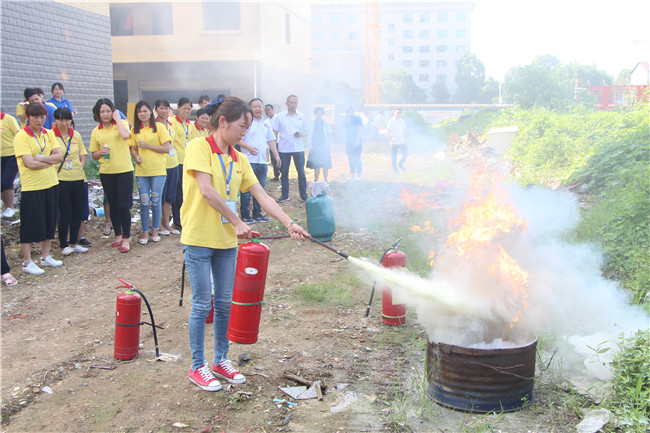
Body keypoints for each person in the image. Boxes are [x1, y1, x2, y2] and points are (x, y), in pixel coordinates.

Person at [181, 96, 309, 392]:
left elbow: (262, 195)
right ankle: (198, 366)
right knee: (202, 304)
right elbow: (206, 191)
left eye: (248, 127)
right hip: (199, 239)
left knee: (225, 302)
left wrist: (289, 223)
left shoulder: (238, 159)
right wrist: (238, 221)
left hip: (226, 242)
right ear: (222, 121)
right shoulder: (198, 147)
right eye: (241, 126)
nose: (244, 133)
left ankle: (221, 359)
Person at [14, 102, 63, 274]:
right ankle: (27, 262)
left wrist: (40, 159)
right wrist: (48, 160)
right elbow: (29, 163)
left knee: (50, 220)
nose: (39, 119)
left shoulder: (48, 133)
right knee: (30, 223)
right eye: (35, 116)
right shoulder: (21, 136)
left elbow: (59, 157)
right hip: (32, 186)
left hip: (51, 182)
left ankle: (45, 256)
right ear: (28, 117)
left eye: (42, 116)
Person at [89, 98, 134, 253]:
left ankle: (127, 237)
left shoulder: (121, 124)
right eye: (102, 111)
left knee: (123, 205)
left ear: (113, 111)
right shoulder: (96, 131)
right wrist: (99, 153)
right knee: (113, 205)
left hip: (124, 170)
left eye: (108, 110)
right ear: (98, 113)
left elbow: (126, 135)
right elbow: (93, 154)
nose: (105, 114)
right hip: (106, 172)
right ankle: (118, 235)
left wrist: (118, 119)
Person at [128, 100, 171, 244]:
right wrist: (136, 156)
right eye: (139, 111)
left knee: (155, 200)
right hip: (142, 170)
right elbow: (133, 147)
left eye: (145, 111)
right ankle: (145, 233)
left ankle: (155, 231)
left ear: (150, 112)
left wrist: (147, 146)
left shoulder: (159, 127)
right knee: (144, 201)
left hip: (158, 169)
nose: (142, 114)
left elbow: (166, 148)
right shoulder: (135, 129)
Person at [53, 107, 89, 256]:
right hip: (61, 179)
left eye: (66, 119)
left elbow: (82, 154)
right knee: (66, 212)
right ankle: (63, 245)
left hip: (77, 178)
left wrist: (80, 168)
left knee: (77, 212)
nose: (63, 122)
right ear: (55, 120)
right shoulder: (50, 136)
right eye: (60, 119)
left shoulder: (76, 136)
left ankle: (74, 242)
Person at [237, 98, 280, 223]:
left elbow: (271, 140)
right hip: (248, 161)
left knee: (261, 188)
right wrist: (248, 147)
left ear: (263, 108)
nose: (257, 109)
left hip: (262, 161)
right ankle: (245, 215)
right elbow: (237, 139)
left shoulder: (266, 123)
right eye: (254, 106)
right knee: (246, 190)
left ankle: (257, 214)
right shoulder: (246, 123)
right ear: (250, 108)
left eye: (259, 106)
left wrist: (276, 155)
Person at [272, 95, 308, 202]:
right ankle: (285, 195)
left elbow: (307, 131)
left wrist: (301, 134)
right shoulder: (279, 116)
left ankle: (303, 195)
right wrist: (275, 149)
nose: (293, 105)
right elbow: (275, 132)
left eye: (295, 103)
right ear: (286, 103)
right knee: (284, 173)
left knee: (301, 172)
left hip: (298, 149)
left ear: (297, 103)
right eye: (291, 102)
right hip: (284, 148)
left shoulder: (302, 116)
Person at [154, 99, 180, 236]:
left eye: (166, 108)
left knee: (169, 196)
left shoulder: (171, 125)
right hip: (160, 165)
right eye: (161, 108)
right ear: (156, 110)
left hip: (173, 163)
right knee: (159, 196)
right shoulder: (153, 126)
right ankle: (157, 225)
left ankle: (166, 223)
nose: (163, 111)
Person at [170, 97, 196, 230]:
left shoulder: (190, 125)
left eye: (189, 109)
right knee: (178, 193)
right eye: (184, 108)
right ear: (178, 108)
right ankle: (178, 220)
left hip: (188, 161)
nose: (186, 111)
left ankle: (187, 218)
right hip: (177, 161)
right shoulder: (172, 122)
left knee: (188, 192)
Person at [1, 111, 21, 218]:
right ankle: (6, 207)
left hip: (11, 155)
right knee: (1, 183)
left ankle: (10, 207)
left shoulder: (8, 119)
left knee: (6, 180)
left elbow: (18, 135)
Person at [306, 106, 333, 182]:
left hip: (324, 147)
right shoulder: (312, 123)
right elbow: (310, 136)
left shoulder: (326, 124)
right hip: (315, 147)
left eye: (321, 113)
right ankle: (316, 180)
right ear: (315, 114)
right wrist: (310, 147)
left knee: (325, 164)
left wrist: (329, 146)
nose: (319, 114)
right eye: (318, 113)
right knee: (316, 164)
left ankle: (325, 180)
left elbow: (329, 135)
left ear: (323, 114)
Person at [344, 106, 363, 179]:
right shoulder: (347, 120)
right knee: (350, 158)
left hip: (356, 141)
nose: (349, 112)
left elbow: (360, 129)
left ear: (353, 111)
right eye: (347, 111)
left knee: (357, 158)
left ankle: (359, 175)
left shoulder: (357, 119)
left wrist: (357, 140)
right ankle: (352, 175)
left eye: (350, 111)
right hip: (349, 142)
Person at [387, 108, 408, 173]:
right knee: (394, 156)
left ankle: (400, 164)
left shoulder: (402, 121)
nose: (398, 114)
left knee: (406, 153)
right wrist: (391, 141)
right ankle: (395, 170)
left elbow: (404, 131)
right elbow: (388, 131)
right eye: (397, 112)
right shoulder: (391, 121)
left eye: (400, 113)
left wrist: (405, 140)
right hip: (394, 141)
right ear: (395, 113)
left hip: (401, 141)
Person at [265, 104, 280, 182]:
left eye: (269, 109)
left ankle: (282, 173)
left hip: (279, 142)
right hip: (271, 143)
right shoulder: (266, 121)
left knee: (280, 158)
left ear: (273, 110)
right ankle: (276, 175)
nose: (267, 111)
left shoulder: (278, 118)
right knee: (273, 160)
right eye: (266, 110)